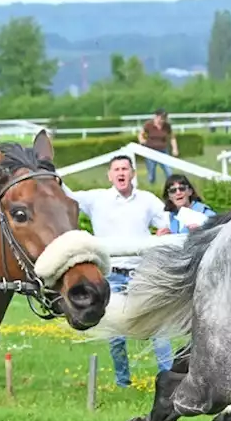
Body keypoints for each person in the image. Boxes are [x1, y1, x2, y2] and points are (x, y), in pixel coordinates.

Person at [66, 155, 174, 387]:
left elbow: (168, 219)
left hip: (143, 273)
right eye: (116, 169)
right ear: (110, 175)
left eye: (125, 168)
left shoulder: (146, 200)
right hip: (111, 275)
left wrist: (166, 230)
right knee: (116, 333)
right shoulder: (97, 199)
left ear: (133, 173)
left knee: (159, 328)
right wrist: (45, 167)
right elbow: (65, 195)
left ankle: (169, 378)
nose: (121, 173)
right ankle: (123, 382)